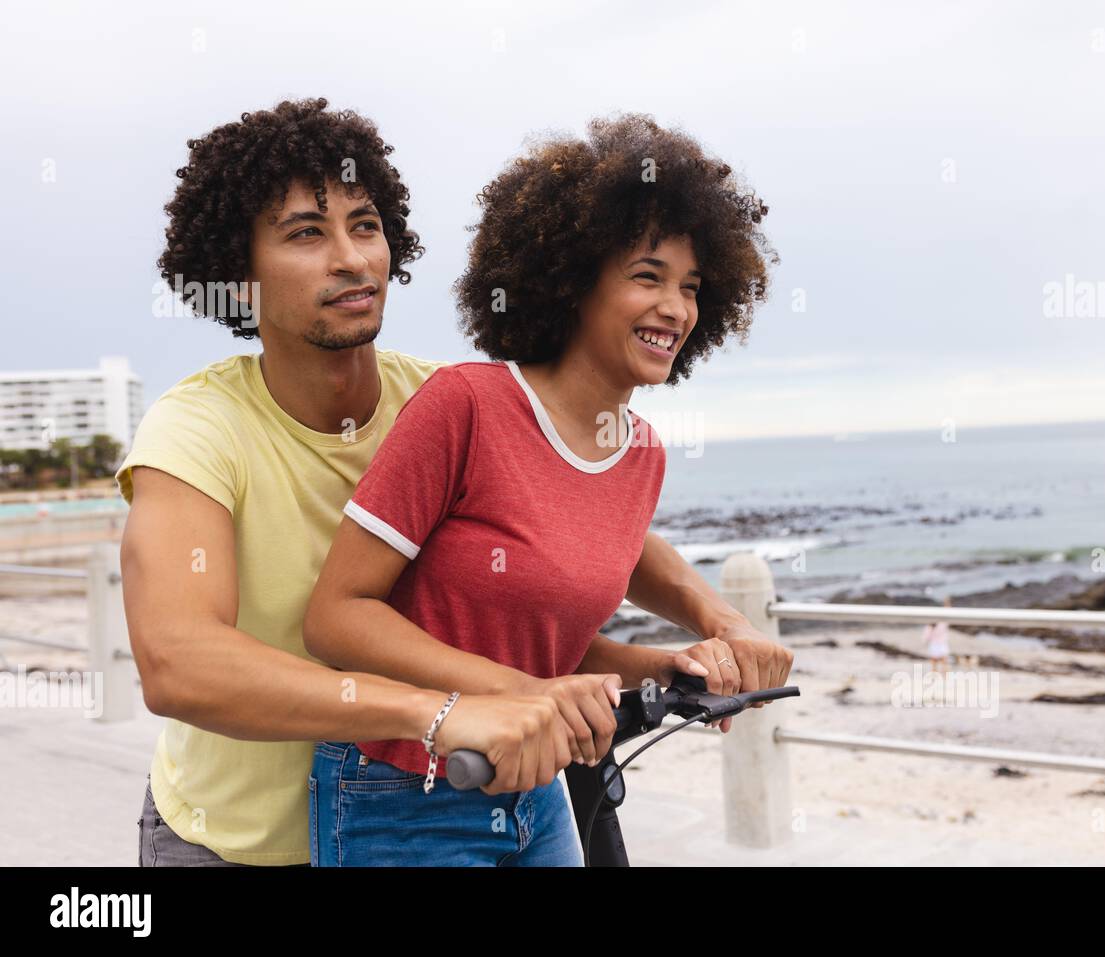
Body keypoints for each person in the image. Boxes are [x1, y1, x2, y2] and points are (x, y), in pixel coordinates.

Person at [119, 99, 790, 867]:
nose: (351, 257)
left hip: (465, 795)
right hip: (239, 843)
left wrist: (713, 621)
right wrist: (447, 711)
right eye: (308, 232)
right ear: (236, 277)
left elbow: (589, 527)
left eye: (366, 225)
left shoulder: (451, 398)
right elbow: (179, 662)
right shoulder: (196, 430)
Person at [923, 596, 953, 674]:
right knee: (938, 662)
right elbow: (926, 636)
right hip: (937, 644)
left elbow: (947, 612)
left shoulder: (940, 623)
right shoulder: (933, 625)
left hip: (939, 643)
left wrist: (947, 603)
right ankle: (938, 675)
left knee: (941, 662)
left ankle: (941, 676)